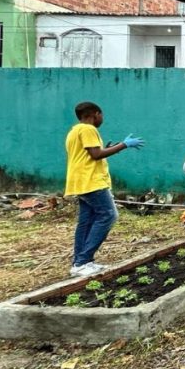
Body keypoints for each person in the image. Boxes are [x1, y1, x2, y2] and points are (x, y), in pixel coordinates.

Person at [64, 101, 144, 277]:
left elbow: (90, 155)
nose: (102, 119)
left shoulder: (74, 131)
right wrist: (124, 144)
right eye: (101, 115)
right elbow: (96, 155)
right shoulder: (88, 129)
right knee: (109, 215)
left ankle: (80, 263)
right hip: (91, 181)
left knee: (86, 221)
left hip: (79, 181)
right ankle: (83, 260)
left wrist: (108, 149)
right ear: (95, 114)